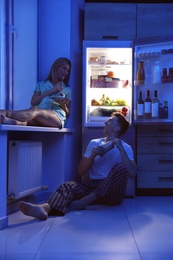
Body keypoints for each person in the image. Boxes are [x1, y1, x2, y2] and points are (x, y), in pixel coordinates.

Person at [18, 112, 137, 220]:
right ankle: (45, 208)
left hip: (113, 194)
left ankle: (84, 202)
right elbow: (81, 172)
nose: (105, 122)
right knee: (67, 186)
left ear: (117, 128)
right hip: (94, 187)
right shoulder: (95, 143)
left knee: (121, 167)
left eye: (110, 120)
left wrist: (120, 149)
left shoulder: (126, 148)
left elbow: (132, 173)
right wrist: (92, 155)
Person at [0, 57, 72, 128]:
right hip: (39, 115)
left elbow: (68, 114)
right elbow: (33, 102)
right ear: (56, 67)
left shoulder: (67, 89)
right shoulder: (41, 84)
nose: (66, 73)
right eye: (64, 68)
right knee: (25, 121)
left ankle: (6, 113)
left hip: (57, 117)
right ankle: (5, 120)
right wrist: (52, 91)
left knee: (35, 110)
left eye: (68, 70)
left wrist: (63, 104)